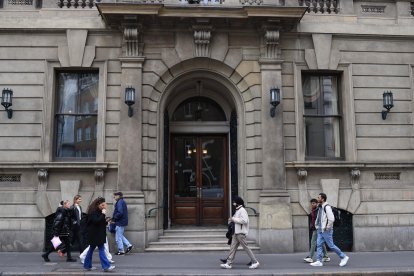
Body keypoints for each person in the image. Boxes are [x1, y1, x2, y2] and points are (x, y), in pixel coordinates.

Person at [310, 193, 349, 267]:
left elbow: (331, 219)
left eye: (319, 197)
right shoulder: (320, 207)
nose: (317, 199)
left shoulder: (327, 207)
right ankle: (319, 261)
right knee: (319, 245)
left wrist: (327, 228)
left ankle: (343, 257)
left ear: (323, 199)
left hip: (326, 230)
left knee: (331, 245)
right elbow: (319, 218)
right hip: (320, 229)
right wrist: (317, 226)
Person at [220, 196, 259, 269]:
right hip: (236, 232)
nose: (233, 203)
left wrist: (234, 219)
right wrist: (231, 220)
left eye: (234, 202)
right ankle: (228, 263)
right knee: (232, 248)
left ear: (237, 202)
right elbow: (236, 219)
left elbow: (244, 221)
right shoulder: (238, 210)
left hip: (240, 233)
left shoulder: (242, 210)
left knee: (246, 248)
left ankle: (255, 262)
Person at [83, 197, 115, 272]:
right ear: (99, 205)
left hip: (97, 234)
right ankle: (106, 266)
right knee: (101, 249)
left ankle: (87, 265)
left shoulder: (98, 212)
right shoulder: (93, 212)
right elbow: (96, 221)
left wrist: (107, 222)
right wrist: (103, 214)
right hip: (95, 235)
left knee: (91, 250)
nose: (105, 206)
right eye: (103, 204)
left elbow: (99, 222)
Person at [303, 198, 330, 263]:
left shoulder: (318, 210)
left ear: (317, 204)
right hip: (315, 228)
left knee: (313, 242)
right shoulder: (313, 210)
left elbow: (319, 220)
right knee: (321, 242)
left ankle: (310, 257)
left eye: (313, 203)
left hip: (318, 228)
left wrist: (318, 227)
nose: (312, 204)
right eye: (311, 203)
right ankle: (326, 256)